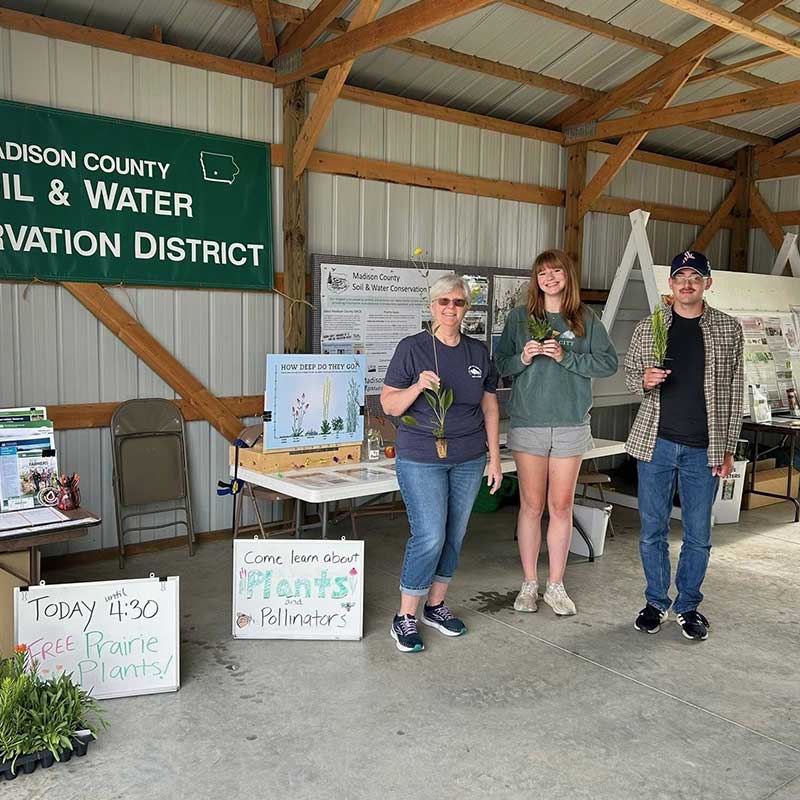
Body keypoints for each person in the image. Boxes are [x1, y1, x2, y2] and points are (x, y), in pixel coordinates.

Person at [625, 250, 743, 641]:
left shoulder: (728, 329)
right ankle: (656, 602)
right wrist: (644, 380)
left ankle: (688, 606)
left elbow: (734, 391)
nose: (687, 284)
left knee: (698, 535)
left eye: (695, 277)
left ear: (707, 283)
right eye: (680, 277)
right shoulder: (651, 325)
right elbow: (630, 376)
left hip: (704, 448)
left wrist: (728, 447)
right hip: (655, 444)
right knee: (652, 531)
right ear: (671, 284)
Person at [381, 275, 503, 653]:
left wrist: (495, 458)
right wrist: (418, 386)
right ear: (432, 306)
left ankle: (435, 606)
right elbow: (389, 405)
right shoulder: (412, 348)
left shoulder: (477, 352)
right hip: (421, 456)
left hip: (468, 456)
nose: (451, 308)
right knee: (430, 535)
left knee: (454, 534)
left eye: (458, 302)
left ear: (467, 308)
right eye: (444, 301)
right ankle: (405, 616)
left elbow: (490, 407)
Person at [495, 250, 618, 617]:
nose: (549, 278)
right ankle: (529, 583)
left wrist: (567, 357)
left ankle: (556, 585)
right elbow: (500, 364)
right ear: (536, 279)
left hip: (570, 423)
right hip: (529, 422)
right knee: (531, 506)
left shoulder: (585, 318)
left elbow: (608, 363)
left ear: (568, 276)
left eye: (556, 271)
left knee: (561, 506)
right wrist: (524, 358)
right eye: (542, 273)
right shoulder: (519, 318)